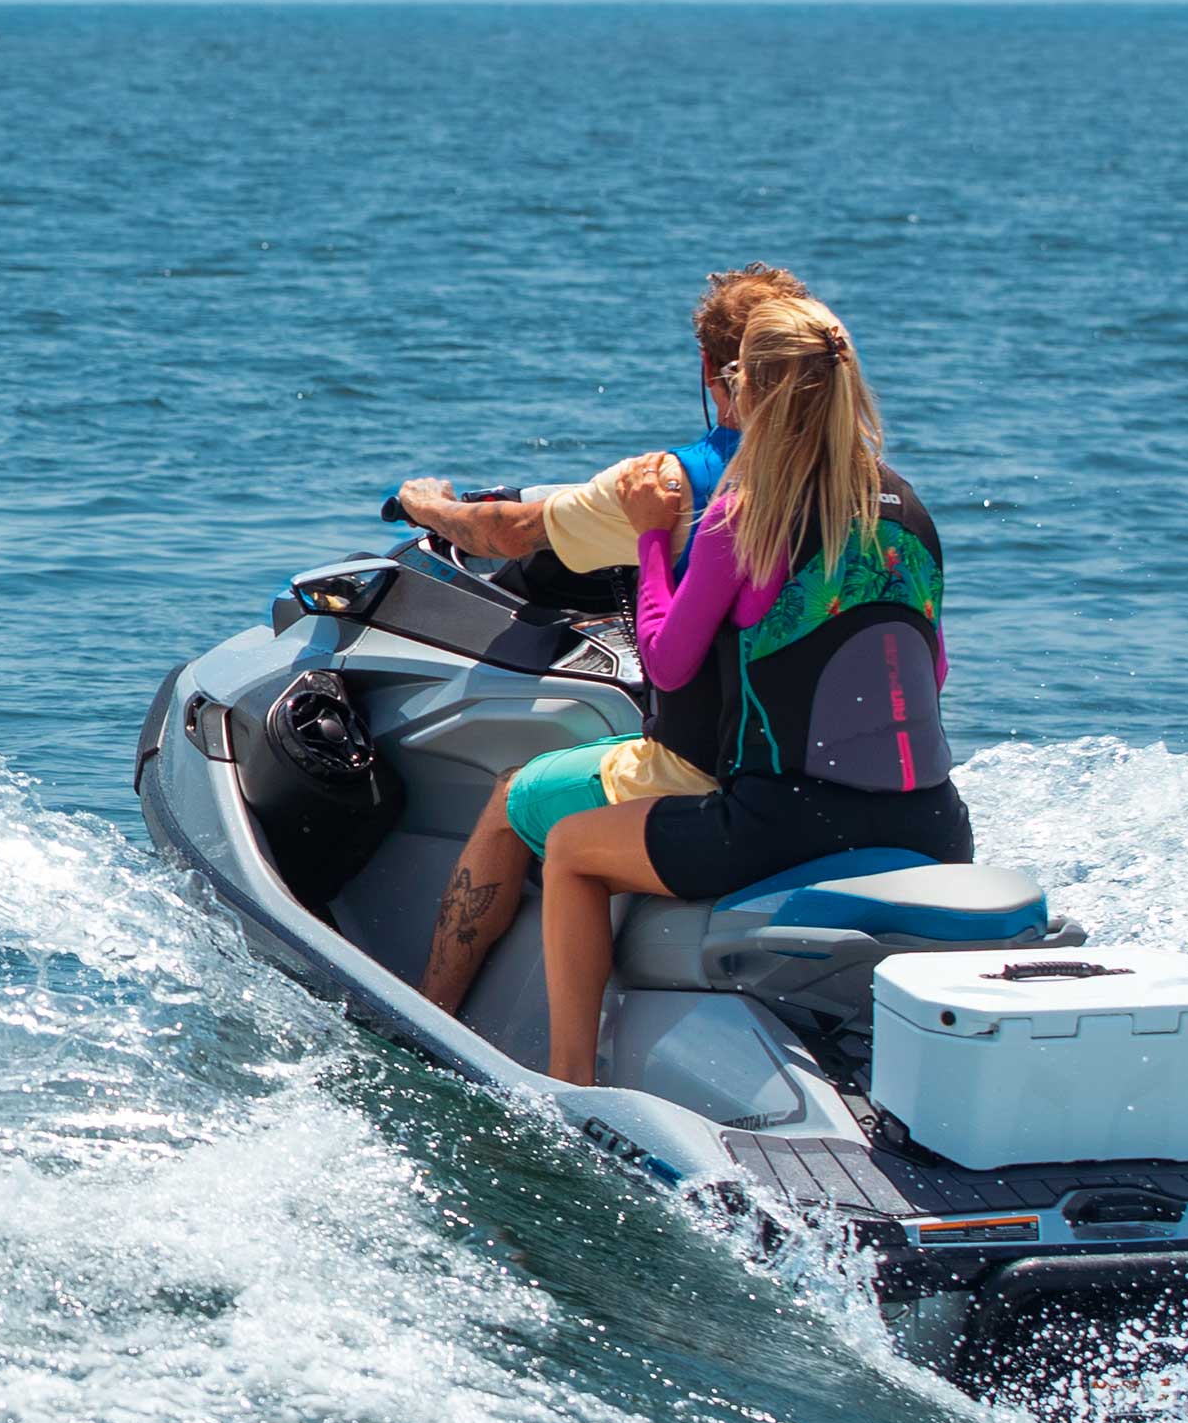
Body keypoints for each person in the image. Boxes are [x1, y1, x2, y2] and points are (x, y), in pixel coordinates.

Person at [529, 290, 966, 1083]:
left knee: (569, 851)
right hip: (936, 825)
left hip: (784, 821)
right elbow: (930, 674)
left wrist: (655, 542)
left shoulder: (747, 511)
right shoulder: (912, 510)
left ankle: (569, 1087)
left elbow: (666, 661)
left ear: (753, 388)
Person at [407, 266, 799, 1019]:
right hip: (824, 769)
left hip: (720, 775)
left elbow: (508, 534)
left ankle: (432, 1016)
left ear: (712, 371)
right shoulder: (860, 483)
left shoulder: (673, 482)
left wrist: (432, 506)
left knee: (513, 797)